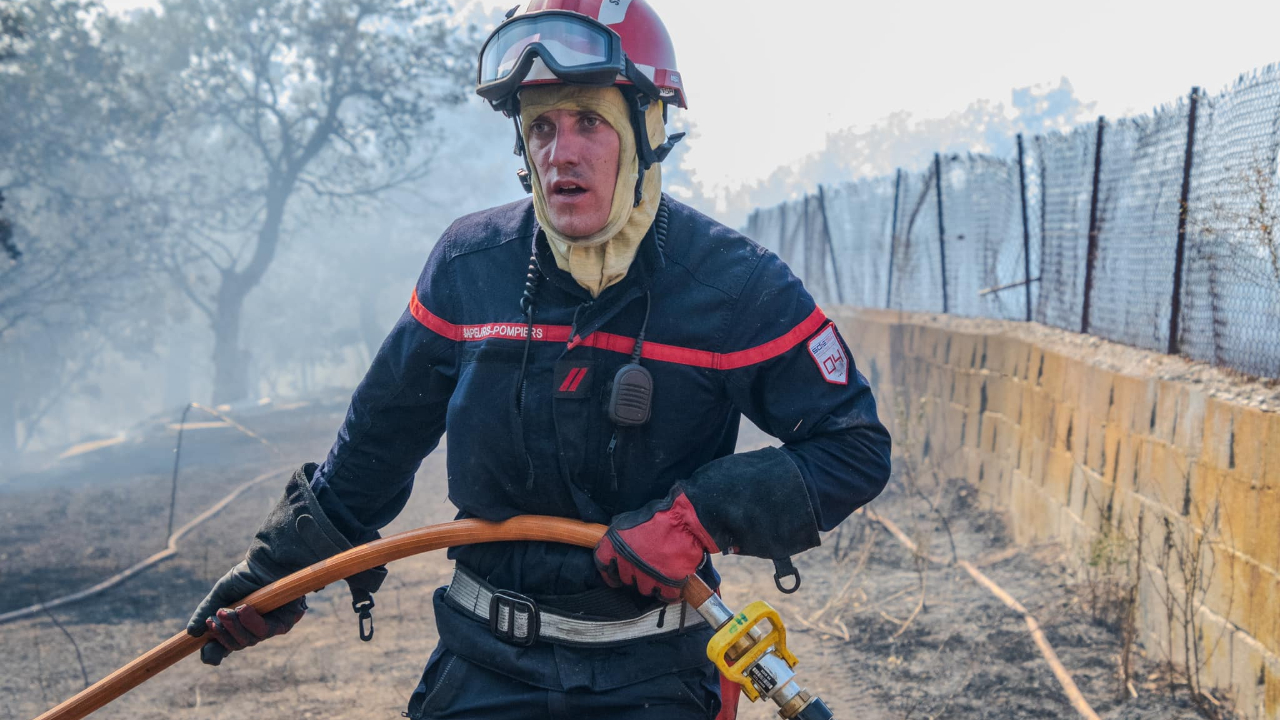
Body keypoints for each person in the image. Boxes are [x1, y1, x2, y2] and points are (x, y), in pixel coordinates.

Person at [186, 1, 893, 718]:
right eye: (541, 128)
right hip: (484, 664)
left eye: (589, 121)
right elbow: (374, 448)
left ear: (647, 131)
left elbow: (853, 449)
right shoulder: (469, 268)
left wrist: (698, 516)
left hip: (653, 674)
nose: (562, 152)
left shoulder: (737, 288)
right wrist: (274, 573)